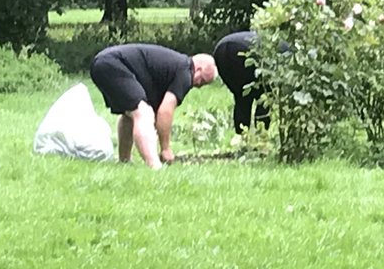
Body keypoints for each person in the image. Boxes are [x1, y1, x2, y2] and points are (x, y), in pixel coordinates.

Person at [89, 44, 217, 169]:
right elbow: (165, 111)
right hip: (113, 63)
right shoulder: (186, 71)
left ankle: (124, 161)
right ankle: (154, 166)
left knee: (130, 113)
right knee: (143, 113)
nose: (198, 86)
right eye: (202, 80)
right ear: (198, 69)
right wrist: (165, 149)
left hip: (102, 62)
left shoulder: (176, 65)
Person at [213, 30, 270, 134]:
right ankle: (262, 135)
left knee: (242, 98)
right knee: (265, 98)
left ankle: (243, 136)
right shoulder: (286, 53)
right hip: (243, 49)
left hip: (220, 50)